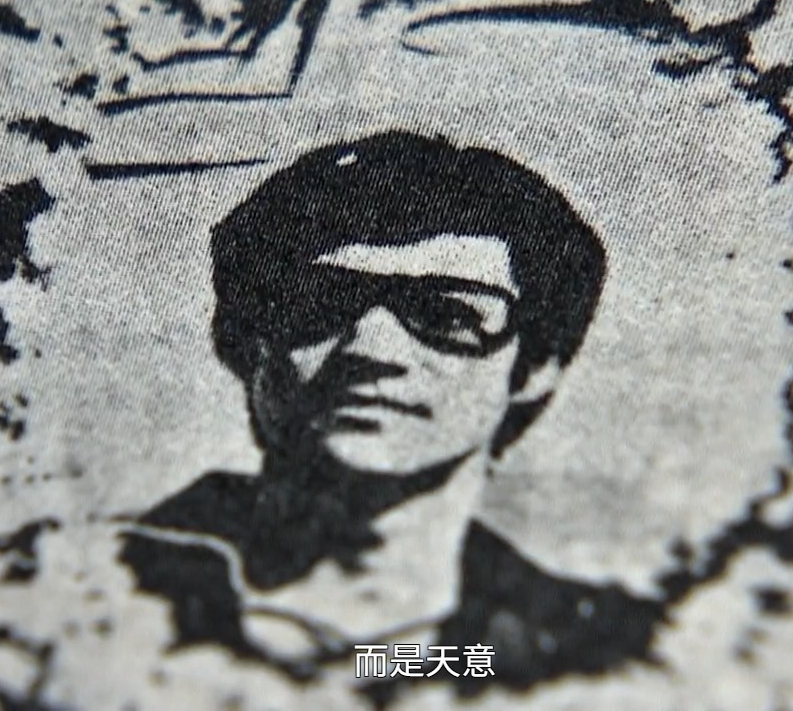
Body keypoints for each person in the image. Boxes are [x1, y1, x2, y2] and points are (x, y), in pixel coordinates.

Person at [118, 131, 662, 705]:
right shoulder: (97, 582)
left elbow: (370, 667)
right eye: (319, 303)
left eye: (449, 315)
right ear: (250, 346)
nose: (372, 348)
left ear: (533, 368)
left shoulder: (590, 652)